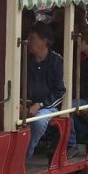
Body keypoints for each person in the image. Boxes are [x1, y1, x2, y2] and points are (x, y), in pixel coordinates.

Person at [24, 22, 66, 158]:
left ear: (44, 40)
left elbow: (59, 91)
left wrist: (40, 104)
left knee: (39, 121)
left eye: (32, 38)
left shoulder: (56, 61)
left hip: (48, 106)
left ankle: (25, 155)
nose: (28, 42)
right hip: (25, 103)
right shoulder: (25, 59)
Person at [67, 28, 88, 156]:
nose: (78, 44)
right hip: (79, 94)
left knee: (68, 107)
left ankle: (72, 143)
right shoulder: (82, 57)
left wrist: (75, 92)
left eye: (81, 42)